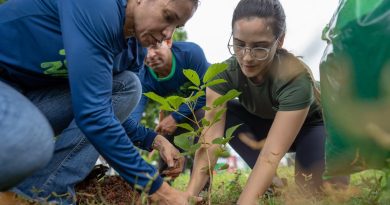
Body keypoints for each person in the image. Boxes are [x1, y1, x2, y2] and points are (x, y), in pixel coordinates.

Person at [0, 0, 200, 204]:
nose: (168, 34)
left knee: (128, 86)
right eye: (168, 17)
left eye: (177, 26)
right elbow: (94, 114)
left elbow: (106, 112)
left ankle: (43, 191)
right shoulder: (97, 6)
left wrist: (154, 140)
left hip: (25, 98)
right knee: (32, 140)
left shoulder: (133, 52)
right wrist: (160, 190)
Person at [186, 0, 348, 204]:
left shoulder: (295, 79)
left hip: (314, 125)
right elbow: (210, 142)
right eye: (239, 44)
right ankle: (271, 183)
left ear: (279, 41)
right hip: (267, 123)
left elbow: (270, 155)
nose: (247, 57)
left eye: (260, 47)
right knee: (204, 114)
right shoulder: (222, 75)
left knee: (318, 193)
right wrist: (187, 197)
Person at [126, 38, 209, 174]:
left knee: (201, 115)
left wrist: (175, 117)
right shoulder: (142, 77)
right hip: (176, 111)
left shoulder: (190, 53)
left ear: (168, 42)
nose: (149, 55)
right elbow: (131, 118)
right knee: (164, 132)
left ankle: (202, 186)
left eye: (155, 46)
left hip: (204, 107)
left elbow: (207, 91)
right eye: (143, 50)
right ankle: (165, 181)